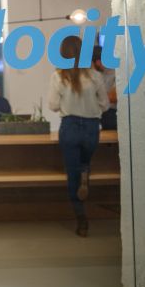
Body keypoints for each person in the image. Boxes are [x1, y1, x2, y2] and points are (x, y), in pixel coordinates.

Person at [47, 35, 109, 237]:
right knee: (85, 164)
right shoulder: (94, 76)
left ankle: (81, 220)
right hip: (92, 128)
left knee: (71, 174)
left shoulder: (58, 76)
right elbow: (106, 105)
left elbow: (53, 106)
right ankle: (85, 171)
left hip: (70, 127)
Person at [92, 45, 118, 130]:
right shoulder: (96, 74)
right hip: (97, 113)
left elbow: (113, 97)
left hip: (111, 114)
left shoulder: (115, 72)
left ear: (98, 62)